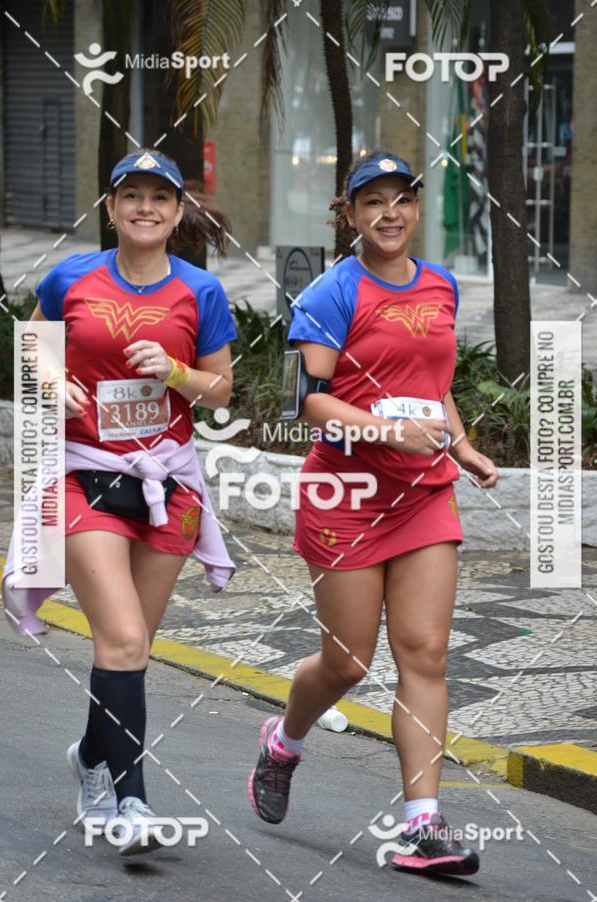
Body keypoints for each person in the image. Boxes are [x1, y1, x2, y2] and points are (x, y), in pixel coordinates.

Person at [248, 151, 499, 876]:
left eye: (401, 200)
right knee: (348, 661)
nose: (388, 213)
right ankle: (283, 740)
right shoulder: (330, 293)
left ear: (416, 209)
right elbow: (307, 401)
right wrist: (388, 430)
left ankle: (424, 826)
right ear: (350, 213)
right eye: (372, 202)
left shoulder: (442, 286)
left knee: (425, 651)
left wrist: (463, 446)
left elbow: (434, 385)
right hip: (346, 498)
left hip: (422, 493)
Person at [24, 149, 237, 855]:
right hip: (84, 472)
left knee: (129, 648)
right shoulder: (70, 277)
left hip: (167, 483)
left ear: (178, 214)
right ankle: (134, 803)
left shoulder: (201, 291)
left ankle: (90, 756)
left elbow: (221, 390)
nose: (146, 208)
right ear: (111, 209)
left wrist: (176, 370)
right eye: (132, 196)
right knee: (120, 638)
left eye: (160, 198)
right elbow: (33, 340)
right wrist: (54, 383)